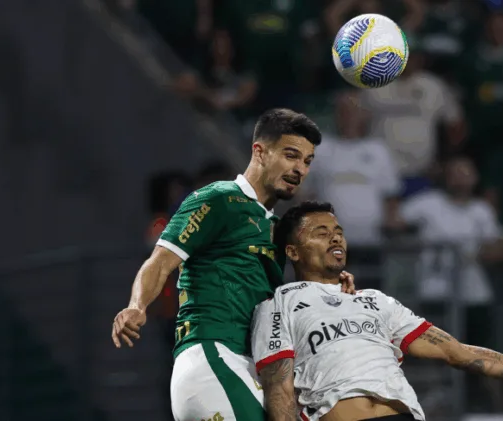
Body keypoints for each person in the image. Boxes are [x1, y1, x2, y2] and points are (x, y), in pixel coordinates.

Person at [110, 109, 356, 421]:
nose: (300, 169)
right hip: (212, 356)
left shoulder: (277, 229)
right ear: (260, 151)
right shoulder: (219, 199)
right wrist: (137, 306)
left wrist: (332, 292)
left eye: (307, 161)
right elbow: (160, 261)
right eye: (291, 155)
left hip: (252, 368)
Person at [251, 201, 503, 421]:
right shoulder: (278, 304)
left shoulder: (376, 301)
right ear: (292, 251)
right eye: (321, 234)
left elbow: (457, 352)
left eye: (338, 232)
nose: (335, 239)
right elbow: (279, 389)